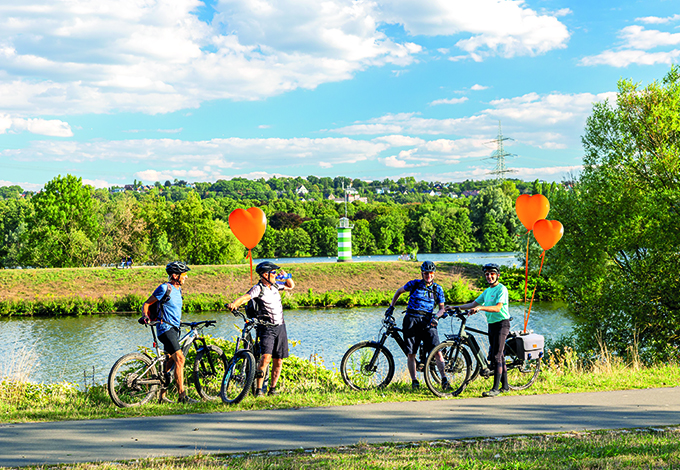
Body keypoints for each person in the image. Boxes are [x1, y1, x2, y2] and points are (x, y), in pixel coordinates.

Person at [227, 261, 295, 397]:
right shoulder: (258, 288)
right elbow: (245, 297)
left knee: (279, 359)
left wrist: (286, 276)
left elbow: (290, 286)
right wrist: (234, 304)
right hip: (266, 328)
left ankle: (273, 389)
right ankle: (259, 390)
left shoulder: (275, 286)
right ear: (265, 274)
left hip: (280, 327)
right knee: (265, 358)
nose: (275, 275)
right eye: (273, 273)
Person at [386, 260, 448, 390]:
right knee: (411, 353)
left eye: (431, 273)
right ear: (422, 273)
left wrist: (436, 316)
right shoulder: (414, 284)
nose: (428, 275)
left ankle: (444, 379)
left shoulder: (438, 289)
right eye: (426, 273)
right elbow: (398, 291)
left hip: (428, 320)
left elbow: (442, 309)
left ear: (434, 274)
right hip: (411, 319)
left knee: (437, 351)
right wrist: (391, 307)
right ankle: (414, 381)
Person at [141, 261, 197, 404]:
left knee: (169, 361)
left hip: (174, 328)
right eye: (184, 274)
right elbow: (146, 304)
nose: (186, 277)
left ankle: (162, 397)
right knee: (180, 359)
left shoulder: (178, 290)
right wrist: (145, 316)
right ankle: (182, 396)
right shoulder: (164, 288)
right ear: (175, 275)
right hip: (165, 329)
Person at [451, 263, 510, 397]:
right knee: (499, 355)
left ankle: (495, 389)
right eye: (487, 274)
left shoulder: (502, 289)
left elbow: (497, 308)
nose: (489, 276)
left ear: (497, 275)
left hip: (502, 324)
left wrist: (480, 308)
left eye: (492, 274)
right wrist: (455, 307)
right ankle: (505, 386)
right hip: (492, 324)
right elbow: (473, 304)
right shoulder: (487, 291)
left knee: (496, 356)